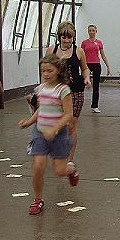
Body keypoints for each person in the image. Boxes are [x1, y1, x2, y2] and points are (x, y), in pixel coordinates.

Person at [19, 54, 79, 215]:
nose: (45, 74)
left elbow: (68, 114)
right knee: (38, 166)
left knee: (59, 171)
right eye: (43, 71)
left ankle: (71, 170)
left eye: (49, 71)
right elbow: (41, 109)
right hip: (40, 132)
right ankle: (37, 199)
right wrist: (29, 122)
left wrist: (55, 129)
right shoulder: (40, 89)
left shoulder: (63, 90)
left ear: (58, 70)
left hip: (59, 134)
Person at [46, 21, 91, 166]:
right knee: (56, 125)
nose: (66, 40)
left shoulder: (79, 51)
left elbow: (85, 68)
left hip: (75, 91)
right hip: (57, 92)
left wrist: (87, 78)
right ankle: (57, 153)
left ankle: (69, 159)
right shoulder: (51, 50)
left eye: (69, 37)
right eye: (63, 37)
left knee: (71, 125)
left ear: (74, 37)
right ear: (59, 37)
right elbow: (45, 70)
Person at [81, 24, 111, 113]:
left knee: (96, 86)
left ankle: (95, 106)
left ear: (96, 32)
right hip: (87, 65)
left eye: (93, 30)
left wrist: (108, 66)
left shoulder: (99, 42)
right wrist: (80, 65)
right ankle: (79, 103)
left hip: (96, 64)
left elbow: (103, 55)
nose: (91, 32)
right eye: (90, 30)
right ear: (88, 32)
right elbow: (81, 55)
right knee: (82, 84)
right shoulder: (84, 43)